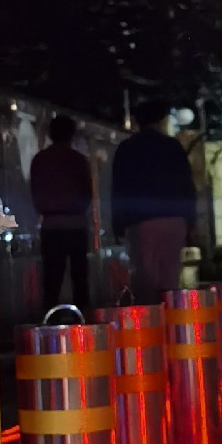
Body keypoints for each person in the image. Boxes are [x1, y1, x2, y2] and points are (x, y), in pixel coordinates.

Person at [111, 106, 198, 303]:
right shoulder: (172, 147)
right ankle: (170, 315)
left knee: (144, 277)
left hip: (141, 221)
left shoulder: (127, 148)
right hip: (174, 219)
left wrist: (118, 223)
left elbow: (120, 188)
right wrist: (190, 220)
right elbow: (187, 185)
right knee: (170, 275)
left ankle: (151, 316)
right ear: (161, 121)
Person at [28, 114, 95, 312]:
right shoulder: (78, 160)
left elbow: (36, 192)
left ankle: (50, 317)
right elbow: (87, 192)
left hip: (51, 225)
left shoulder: (40, 160)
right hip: (76, 224)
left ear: (50, 133)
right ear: (71, 134)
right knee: (79, 279)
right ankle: (83, 317)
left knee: (52, 280)